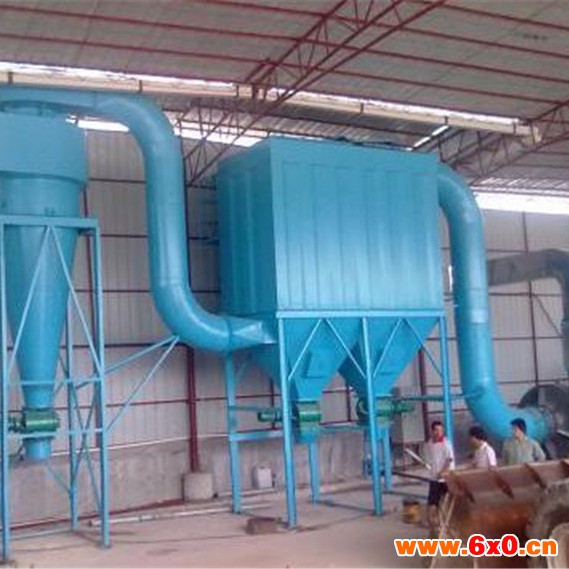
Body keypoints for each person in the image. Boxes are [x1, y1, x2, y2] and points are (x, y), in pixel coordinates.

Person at [423, 420, 455, 530]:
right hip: (434, 477)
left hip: (446, 478)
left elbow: (449, 459)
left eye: (441, 430)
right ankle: (432, 523)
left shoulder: (446, 443)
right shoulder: (429, 444)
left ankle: (447, 521)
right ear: (432, 431)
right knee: (432, 501)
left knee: (447, 501)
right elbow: (428, 459)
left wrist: (443, 471)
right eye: (436, 430)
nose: (439, 432)